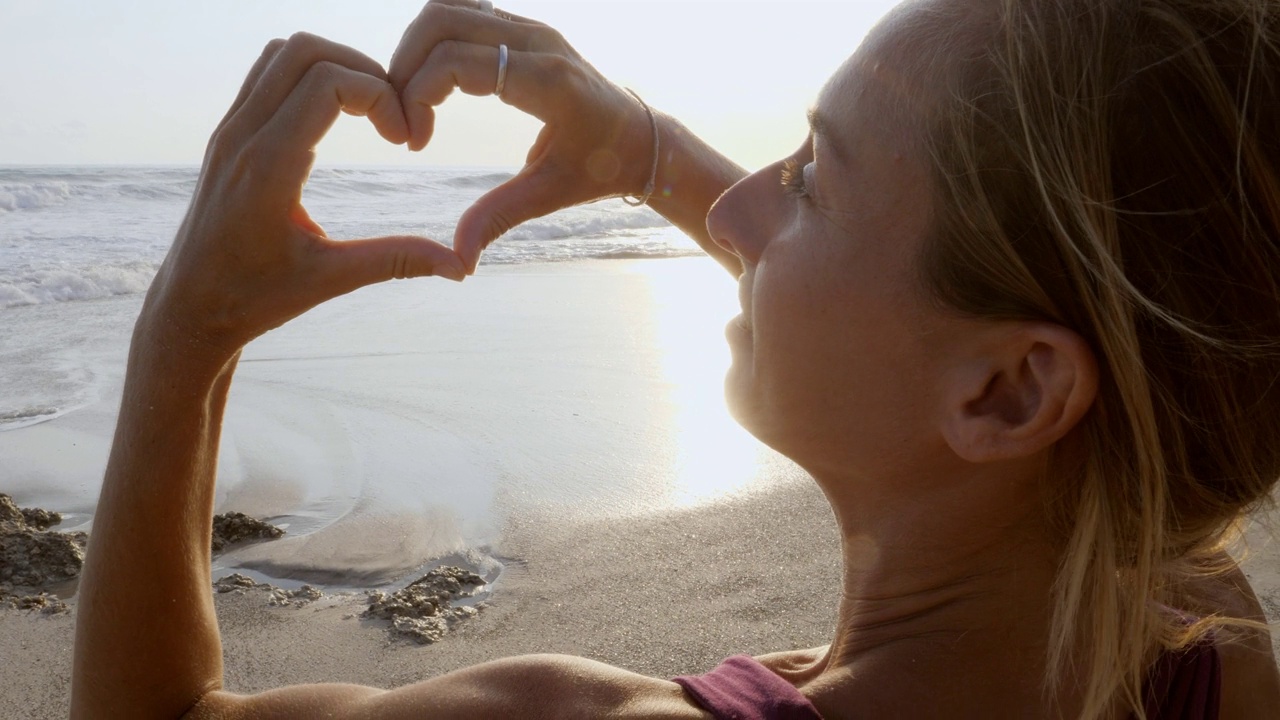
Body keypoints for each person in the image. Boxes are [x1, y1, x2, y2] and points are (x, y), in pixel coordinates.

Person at [69, 0, 1280, 717]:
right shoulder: (1207, 657)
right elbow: (936, 344)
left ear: (1011, 391)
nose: (737, 207)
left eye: (808, 179)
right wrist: (647, 154)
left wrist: (186, 330)